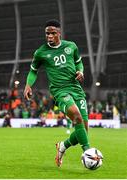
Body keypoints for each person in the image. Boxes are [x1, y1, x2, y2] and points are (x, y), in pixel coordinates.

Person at [24, 19, 90, 167]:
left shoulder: (71, 46)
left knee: (84, 131)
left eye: (53, 33)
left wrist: (81, 71)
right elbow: (33, 71)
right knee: (76, 115)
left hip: (76, 89)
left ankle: (62, 146)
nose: (49, 36)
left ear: (59, 33)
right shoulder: (41, 52)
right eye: (47, 33)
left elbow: (79, 62)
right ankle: (88, 151)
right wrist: (28, 85)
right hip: (60, 91)